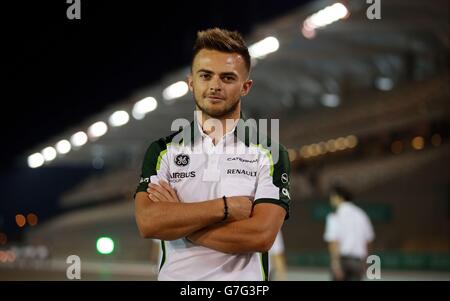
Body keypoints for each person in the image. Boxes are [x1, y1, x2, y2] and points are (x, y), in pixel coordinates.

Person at [134, 28, 291, 281]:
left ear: (245, 87)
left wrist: (181, 221)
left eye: (228, 78)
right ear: (191, 82)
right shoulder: (162, 151)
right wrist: (226, 207)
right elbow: (149, 223)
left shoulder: (270, 153)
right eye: (206, 75)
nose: (215, 86)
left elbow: (261, 236)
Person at [323, 185, 375, 281]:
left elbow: (333, 241)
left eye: (332, 197)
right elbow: (368, 241)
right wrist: (366, 262)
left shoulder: (335, 215)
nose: (331, 200)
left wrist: (335, 264)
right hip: (358, 262)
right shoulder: (362, 214)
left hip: (343, 261)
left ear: (339, 197)